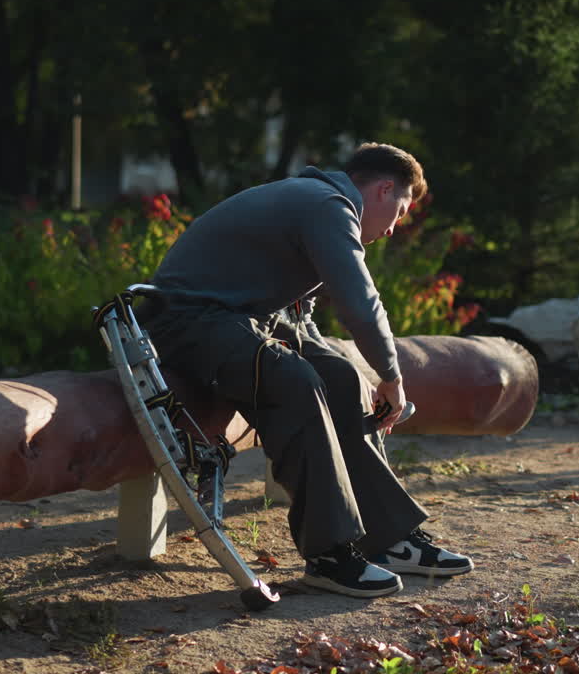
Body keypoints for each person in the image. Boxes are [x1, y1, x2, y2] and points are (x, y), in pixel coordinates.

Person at [140, 142, 472, 598]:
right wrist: (393, 378)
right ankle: (330, 555)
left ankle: (390, 538)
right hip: (188, 320)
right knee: (294, 382)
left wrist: (355, 372)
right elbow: (361, 301)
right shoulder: (327, 205)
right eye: (400, 211)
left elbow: (302, 315)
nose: (395, 228)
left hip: (236, 319)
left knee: (339, 375)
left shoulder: (315, 201)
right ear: (383, 188)